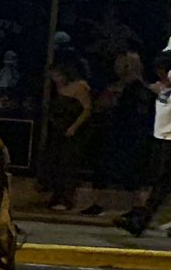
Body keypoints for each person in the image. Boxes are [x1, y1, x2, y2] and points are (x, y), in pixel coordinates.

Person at [118, 33, 171, 237]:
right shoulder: (168, 85)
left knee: (162, 183)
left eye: (162, 71)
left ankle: (140, 221)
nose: (159, 76)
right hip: (163, 136)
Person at [87, 49, 153, 213]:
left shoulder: (138, 89)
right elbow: (100, 106)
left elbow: (138, 113)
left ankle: (137, 207)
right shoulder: (116, 86)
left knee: (130, 172)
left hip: (130, 135)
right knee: (103, 168)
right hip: (113, 131)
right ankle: (99, 203)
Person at [36, 61, 92, 211]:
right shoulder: (57, 89)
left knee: (68, 164)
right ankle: (56, 195)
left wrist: (74, 127)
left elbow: (86, 109)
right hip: (59, 129)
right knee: (55, 162)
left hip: (73, 130)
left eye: (57, 75)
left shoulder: (79, 87)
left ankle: (67, 199)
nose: (55, 79)